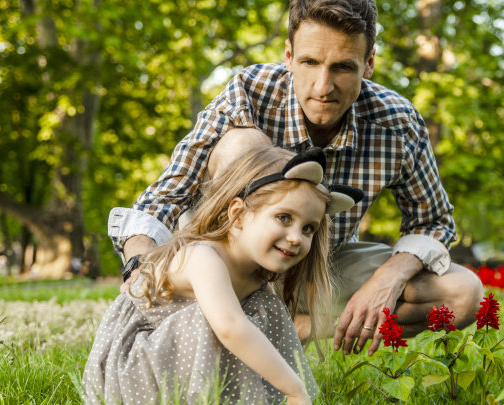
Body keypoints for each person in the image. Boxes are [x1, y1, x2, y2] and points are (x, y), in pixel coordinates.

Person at [108, 0, 484, 358]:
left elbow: (434, 221)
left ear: (368, 63)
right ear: (288, 55)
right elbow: (163, 199)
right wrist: (140, 268)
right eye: (309, 62)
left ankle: (295, 326)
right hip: (220, 265)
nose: (323, 86)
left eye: (342, 67)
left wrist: (386, 281)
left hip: (315, 269)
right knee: (244, 144)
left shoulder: (397, 123)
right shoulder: (248, 92)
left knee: (462, 294)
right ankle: (222, 309)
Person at [85, 146, 363, 404]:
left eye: (308, 229)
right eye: (284, 218)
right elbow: (230, 328)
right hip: (131, 365)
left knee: (269, 309)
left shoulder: (257, 277)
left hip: (171, 360)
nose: (295, 238)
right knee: (222, 322)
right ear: (238, 214)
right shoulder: (203, 257)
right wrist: (294, 388)